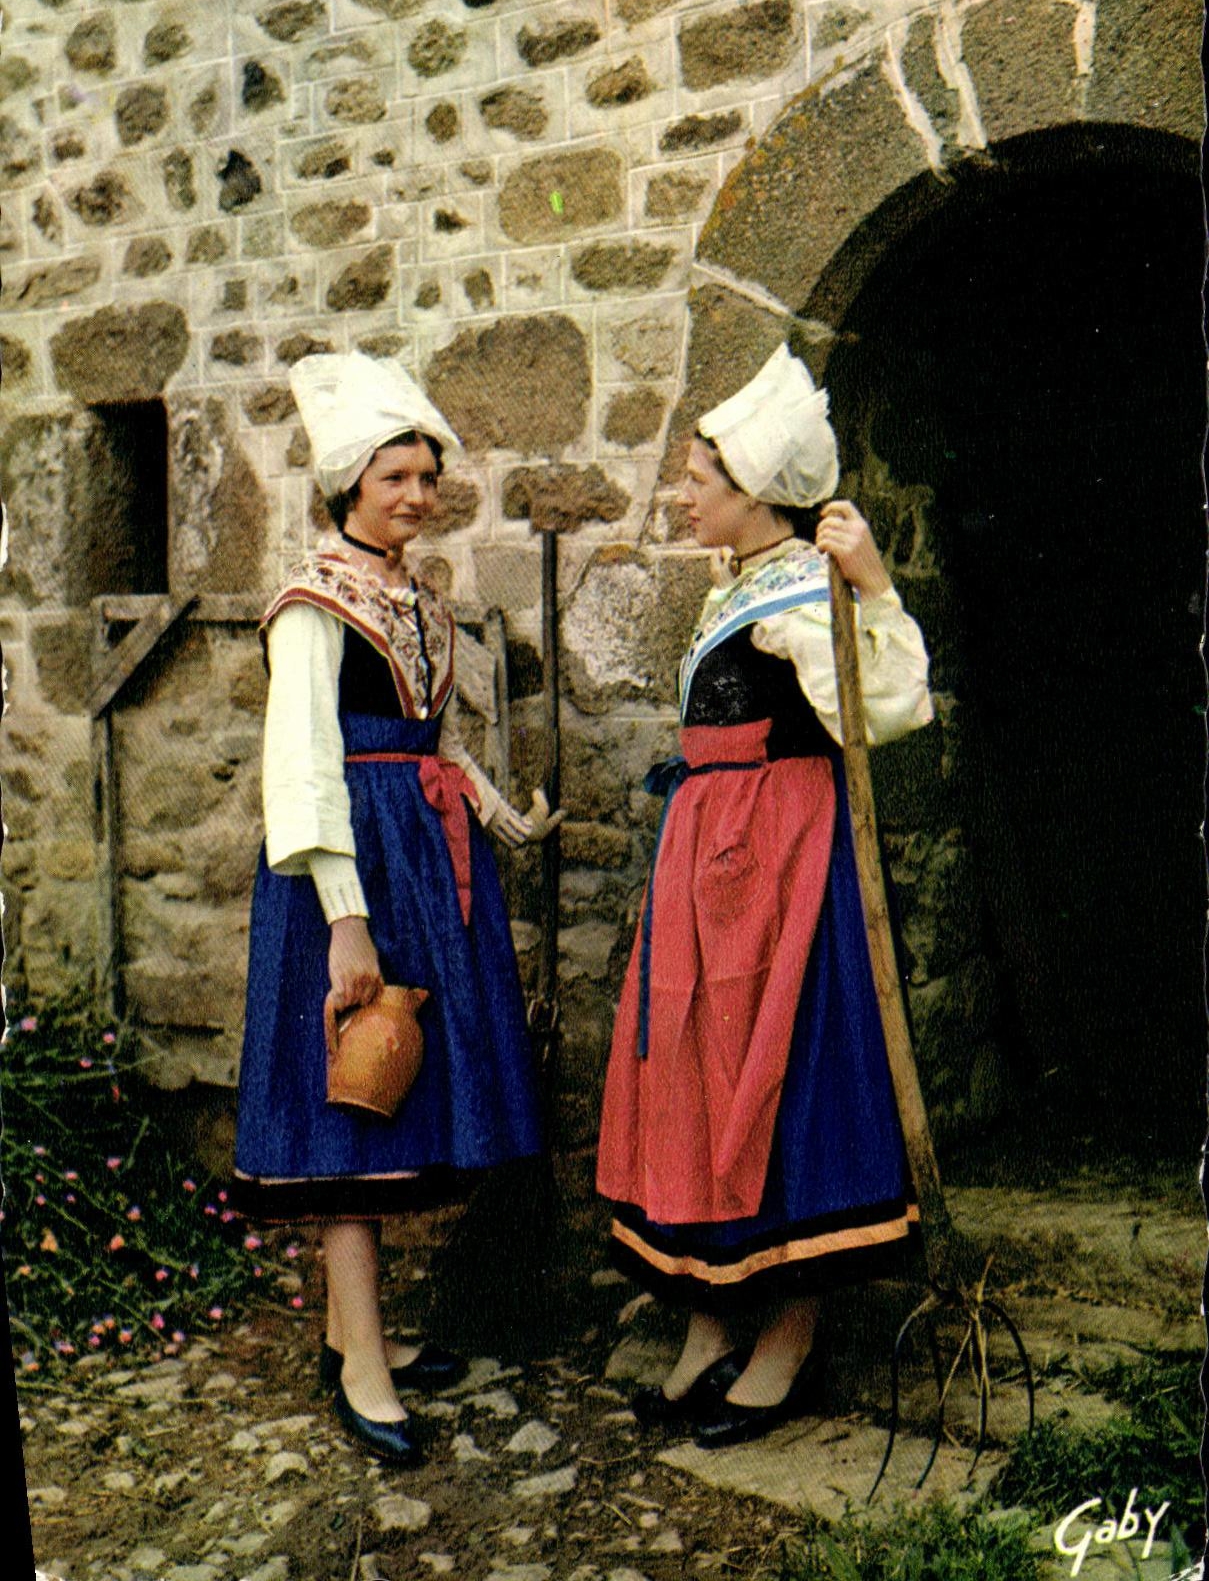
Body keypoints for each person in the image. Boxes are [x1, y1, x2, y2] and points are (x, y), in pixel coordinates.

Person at [596, 343, 933, 1449]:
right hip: (708, 856)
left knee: (775, 1080)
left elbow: (885, 708)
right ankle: (707, 1325)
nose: (683, 494)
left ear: (753, 495)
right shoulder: (734, 584)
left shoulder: (799, 591)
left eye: (699, 479)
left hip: (780, 862)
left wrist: (874, 582)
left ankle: (787, 1336)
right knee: (693, 1076)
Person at [234, 351, 559, 1467]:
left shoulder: (424, 595)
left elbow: (442, 739)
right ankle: (362, 1365)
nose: (418, 495)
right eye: (396, 478)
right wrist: (345, 920)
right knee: (352, 1097)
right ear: (347, 488)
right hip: (348, 872)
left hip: (426, 849)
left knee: (402, 1087)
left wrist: (509, 819)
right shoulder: (310, 604)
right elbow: (303, 768)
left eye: (428, 475)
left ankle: (350, 1333)